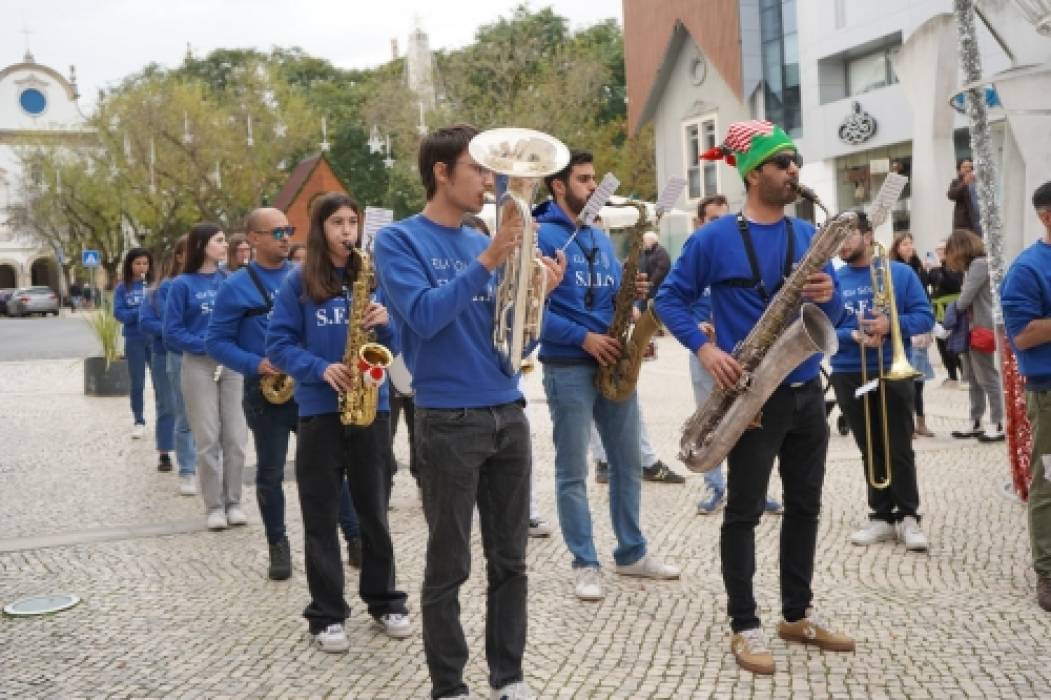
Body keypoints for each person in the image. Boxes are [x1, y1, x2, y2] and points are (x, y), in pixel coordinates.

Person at [373, 124, 565, 700]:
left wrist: (539, 298)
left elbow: (514, 346)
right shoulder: (399, 242)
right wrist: (489, 258)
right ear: (441, 172)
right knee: (449, 563)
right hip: (447, 419)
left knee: (511, 561)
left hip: (508, 412)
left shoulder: (481, 237)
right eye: (479, 169)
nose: (491, 181)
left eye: (492, 171)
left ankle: (509, 676)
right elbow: (426, 318)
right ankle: (449, 685)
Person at [656, 120, 854, 675]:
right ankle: (744, 623)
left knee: (807, 507)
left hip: (805, 391)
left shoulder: (807, 237)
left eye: (794, 162)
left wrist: (831, 294)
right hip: (750, 398)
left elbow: (831, 319)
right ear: (753, 173)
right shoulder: (713, 237)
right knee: (742, 513)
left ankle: (797, 613)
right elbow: (670, 299)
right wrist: (704, 350)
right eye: (783, 163)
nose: (794, 171)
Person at [533, 148, 681, 605]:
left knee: (627, 463)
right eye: (583, 179)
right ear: (558, 185)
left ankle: (631, 551)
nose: (593, 187)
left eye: (594, 178)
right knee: (573, 469)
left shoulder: (598, 235)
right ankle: (584, 563)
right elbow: (531, 312)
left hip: (613, 358)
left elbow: (608, 294)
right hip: (568, 363)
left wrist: (630, 291)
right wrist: (584, 339)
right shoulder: (540, 237)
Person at [267, 192, 412, 652]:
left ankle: (385, 600)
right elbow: (279, 346)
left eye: (353, 221)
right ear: (320, 229)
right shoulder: (297, 283)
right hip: (319, 410)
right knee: (321, 515)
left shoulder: (374, 275)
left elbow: (401, 341)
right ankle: (327, 614)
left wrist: (387, 323)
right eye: (337, 223)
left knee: (374, 510)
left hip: (373, 405)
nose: (347, 231)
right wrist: (319, 368)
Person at [831, 212, 933, 552]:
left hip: (891, 367)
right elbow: (824, 328)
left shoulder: (900, 273)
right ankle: (881, 515)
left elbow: (924, 316)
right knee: (868, 446)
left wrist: (890, 326)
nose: (841, 244)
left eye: (847, 235)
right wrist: (855, 335)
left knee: (898, 446)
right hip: (848, 369)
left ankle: (908, 515)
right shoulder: (833, 279)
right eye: (836, 238)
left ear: (868, 234)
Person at [206, 208, 297, 580]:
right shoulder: (234, 286)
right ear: (253, 239)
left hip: (309, 387)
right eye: (276, 232)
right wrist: (256, 364)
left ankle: (352, 535)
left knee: (328, 467)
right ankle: (278, 544)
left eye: (288, 230)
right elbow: (216, 342)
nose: (286, 237)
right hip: (266, 391)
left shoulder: (302, 277)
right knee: (271, 472)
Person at [460, 212, 553, 537]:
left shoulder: (499, 278)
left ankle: (528, 512)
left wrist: (541, 295)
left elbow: (521, 344)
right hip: (460, 403)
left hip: (507, 392)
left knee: (511, 553)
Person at [690, 194, 784, 515]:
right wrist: (695, 328)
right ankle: (715, 487)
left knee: (752, 422)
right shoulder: (697, 252)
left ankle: (756, 489)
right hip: (708, 353)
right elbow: (672, 300)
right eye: (713, 219)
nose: (721, 224)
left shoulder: (738, 248)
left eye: (724, 217)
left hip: (742, 354)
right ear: (699, 222)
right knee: (710, 420)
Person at [164, 223, 248, 530]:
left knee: (236, 437)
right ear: (202, 246)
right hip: (198, 365)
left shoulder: (231, 280)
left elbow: (244, 320)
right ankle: (214, 506)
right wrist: (207, 344)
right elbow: (171, 331)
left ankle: (235, 501)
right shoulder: (181, 285)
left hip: (232, 363)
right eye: (219, 241)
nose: (225, 246)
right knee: (208, 437)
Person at [1000, 180, 1051, 612]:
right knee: (1050, 481)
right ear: (1046, 216)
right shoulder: (1027, 270)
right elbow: (1024, 334)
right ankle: (1048, 572)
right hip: (1049, 393)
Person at [141, 235, 198, 495]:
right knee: (173, 407)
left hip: (200, 353)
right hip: (168, 353)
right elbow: (165, 323)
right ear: (178, 256)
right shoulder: (166, 287)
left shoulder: (213, 280)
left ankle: (200, 463)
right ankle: (171, 456)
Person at [945, 229, 1004, 442]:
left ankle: (998, 423)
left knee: (987, 377)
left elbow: (965, 299)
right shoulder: (973, 266)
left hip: (980, 328)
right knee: (974, 378)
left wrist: (951, 314)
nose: (949, 257)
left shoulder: (979, 265)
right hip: (971, 329)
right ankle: (976, 420)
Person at [889, 231, 936, 437]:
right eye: (904, 244)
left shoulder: (916, 266)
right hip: (906, 329)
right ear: (897, 247)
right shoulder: (896, 270)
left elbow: (927, 291)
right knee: (910, 380)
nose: (909, 247)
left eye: (911, 243)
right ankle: (908, 423)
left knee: (920, 379)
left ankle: (920, 422)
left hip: (920, 326)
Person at [136, 251, 178, 476]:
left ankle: (191, 451)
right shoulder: (156, 292)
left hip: (195, 355)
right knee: (167, 404)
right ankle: (164, 451)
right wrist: (173, 333)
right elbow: (145, 321)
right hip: (163, 353)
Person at [113, 248, 156, 442]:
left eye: (145, 263)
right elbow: (119, 314)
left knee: (161, 382)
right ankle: (139, 420)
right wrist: (140, 311)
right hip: (134, 339)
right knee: (137, 383)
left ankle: (165, 419)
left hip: (155, 340)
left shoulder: (155, 285)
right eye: (137, 263)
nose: (141, 267)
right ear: (130, 265)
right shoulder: (123, 288)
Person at [926, 239, 964, 386]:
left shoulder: (956, 265)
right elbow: (928, 284)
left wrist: (940, 267)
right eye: (938, 250)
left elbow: (954, 284)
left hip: (952, 309)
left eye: (942, 249)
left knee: (954, 343)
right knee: (941, 344)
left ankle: (964, 374)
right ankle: (952, 375)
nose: (939, 252)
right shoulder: (935, 268)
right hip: (938, 309)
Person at [947, 158, 982, 236]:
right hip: (965, 225)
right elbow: (951, 195)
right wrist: (964, 183)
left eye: (970, 166)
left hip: (980, 222)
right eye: (965, 167)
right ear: (959, 170)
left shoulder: (978, 182)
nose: (968, 169)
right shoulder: (956, 182)